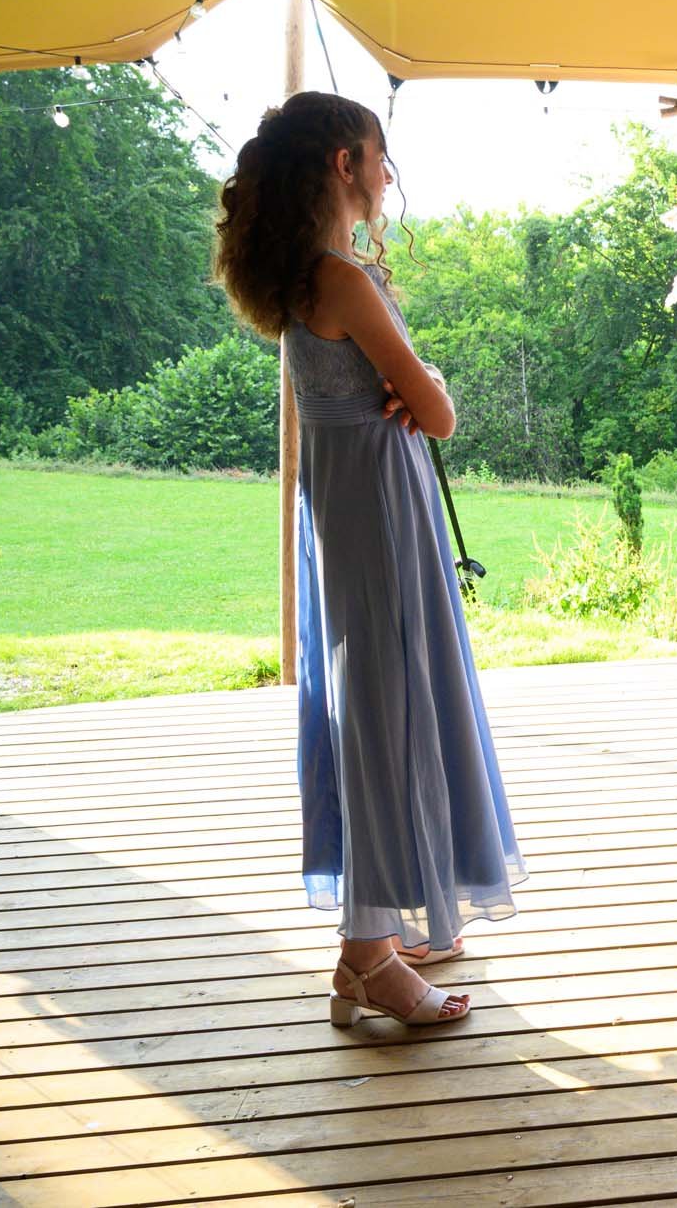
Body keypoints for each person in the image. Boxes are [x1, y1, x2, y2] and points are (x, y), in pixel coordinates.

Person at [213, 92, 523, 1028]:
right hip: (383, 514)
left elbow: (397, 396)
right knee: (392, 710)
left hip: (348, 509)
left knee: (373, 707)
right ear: (344, 164)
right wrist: (429, 384)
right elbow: (439, 416)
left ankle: (375, 939)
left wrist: (410, 388)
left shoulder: (300, 281)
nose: (390, 174)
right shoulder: (344, 280)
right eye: (380, 156)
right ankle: (367, 954)